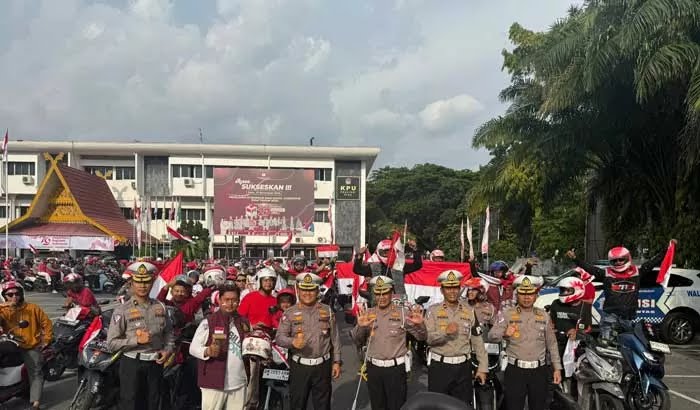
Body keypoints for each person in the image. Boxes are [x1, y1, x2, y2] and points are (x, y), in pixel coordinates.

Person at [566, 240, 675, 343]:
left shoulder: (637, 272)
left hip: (629, 318)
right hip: (610, 317)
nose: (618, 262)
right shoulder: (606, 273)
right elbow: (589, 268)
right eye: (615, 260)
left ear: (628, 258)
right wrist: (575, 259)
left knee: (628, 347)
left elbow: (653, 262)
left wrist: (669, 248)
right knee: (607, 345)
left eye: (621, 259)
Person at [106, 262, 176, 410]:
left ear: (152, 283)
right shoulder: (122, 309)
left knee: (153, 403)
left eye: (146, 282)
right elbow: (111, 343)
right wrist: (136, 340)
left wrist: (168, 350)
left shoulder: (160, 306)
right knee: (131, 403)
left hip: (154, 364)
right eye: (138, 282)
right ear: (132, 283)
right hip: (132, 363)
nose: (142, 286)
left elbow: (169, 333)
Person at [351, 276, 426, 410]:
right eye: (378, 293)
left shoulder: (403, 313)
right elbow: (357, 340)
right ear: (374, 294)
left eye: (385, 293)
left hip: (396, 370)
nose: (382, 297)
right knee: (378, 405)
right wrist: (361, 327)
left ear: (392, 293)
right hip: (374, 369)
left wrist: (420, 325)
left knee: (397, 406)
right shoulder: (367, 314)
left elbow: (421, 337)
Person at [489, 275, 561, 410]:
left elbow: (552, 344)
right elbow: (492, 335)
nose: (526, 297)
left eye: (530, 294)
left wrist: (557, 368)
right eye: (523, 294)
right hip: (516, 371)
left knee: (538, 406)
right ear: (517, 295)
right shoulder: (507, 314)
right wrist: (504, 334)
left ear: (536, 295)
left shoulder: (544, 315)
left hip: (539, 371)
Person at [275, 273, 342, 410]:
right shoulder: (289, 312)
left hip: (322, 366)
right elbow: (279, 338)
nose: (307, 293)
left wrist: (337, 362)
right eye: (304, 289)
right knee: (298, 404)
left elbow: (335, 338)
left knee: (323, 405)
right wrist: (292, 342)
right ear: (298, 291)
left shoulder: (327, 311)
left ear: (317, 291)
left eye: (311, 290)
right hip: (300, 366)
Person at [425, 270, 488, 406]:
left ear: (460, 289)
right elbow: (428, 339)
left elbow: (478, 341)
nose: (452, 291)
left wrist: (483, 367)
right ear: (442, 290)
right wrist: (445, 333)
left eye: (455, 288)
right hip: (440, 368)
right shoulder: (432, 311)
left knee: (462, 405)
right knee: (436, 406)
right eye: (448, 288)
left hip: (463, 368)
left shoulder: (469, 311)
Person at [189, 284, 250, 410]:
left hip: (238, 382)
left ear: (238, 301)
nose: (230, 303)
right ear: (220, 300)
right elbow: (193, 348)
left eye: (234, 300)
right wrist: (207, 351)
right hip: (213, 382)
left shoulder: (244, 322)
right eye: (226, 300)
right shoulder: (209, 321)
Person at [0, 281, 52, 410]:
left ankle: (35, 403)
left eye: (17, 294)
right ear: (4, 296)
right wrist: (6, 307)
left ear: (21, 294)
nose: (14, 297)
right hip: (11, 345)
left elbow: (47, 323)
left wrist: (46, 339)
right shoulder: (4, 310)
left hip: (30, 345)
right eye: (9, 295)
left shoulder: (32, 308)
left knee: (35, 372)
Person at [353, 238, 422, 299]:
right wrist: (359, 256)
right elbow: (357, 270)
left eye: (389, 252)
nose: (387, 255)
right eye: (384, 252)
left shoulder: (399, 265)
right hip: (378, 303)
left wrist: (415, 249)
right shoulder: (373, 266)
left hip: (399, 302)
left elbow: (417, 265)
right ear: (378, 252)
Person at [549, 277, 592, 359]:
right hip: (558, 342)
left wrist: (577, 332)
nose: (564, 292)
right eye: (562, 290)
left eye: (567, 290)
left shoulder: (585, 306)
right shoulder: (556, 303)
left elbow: (588, 328)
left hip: (575, 345)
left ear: (577, 290)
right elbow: (551, 322)